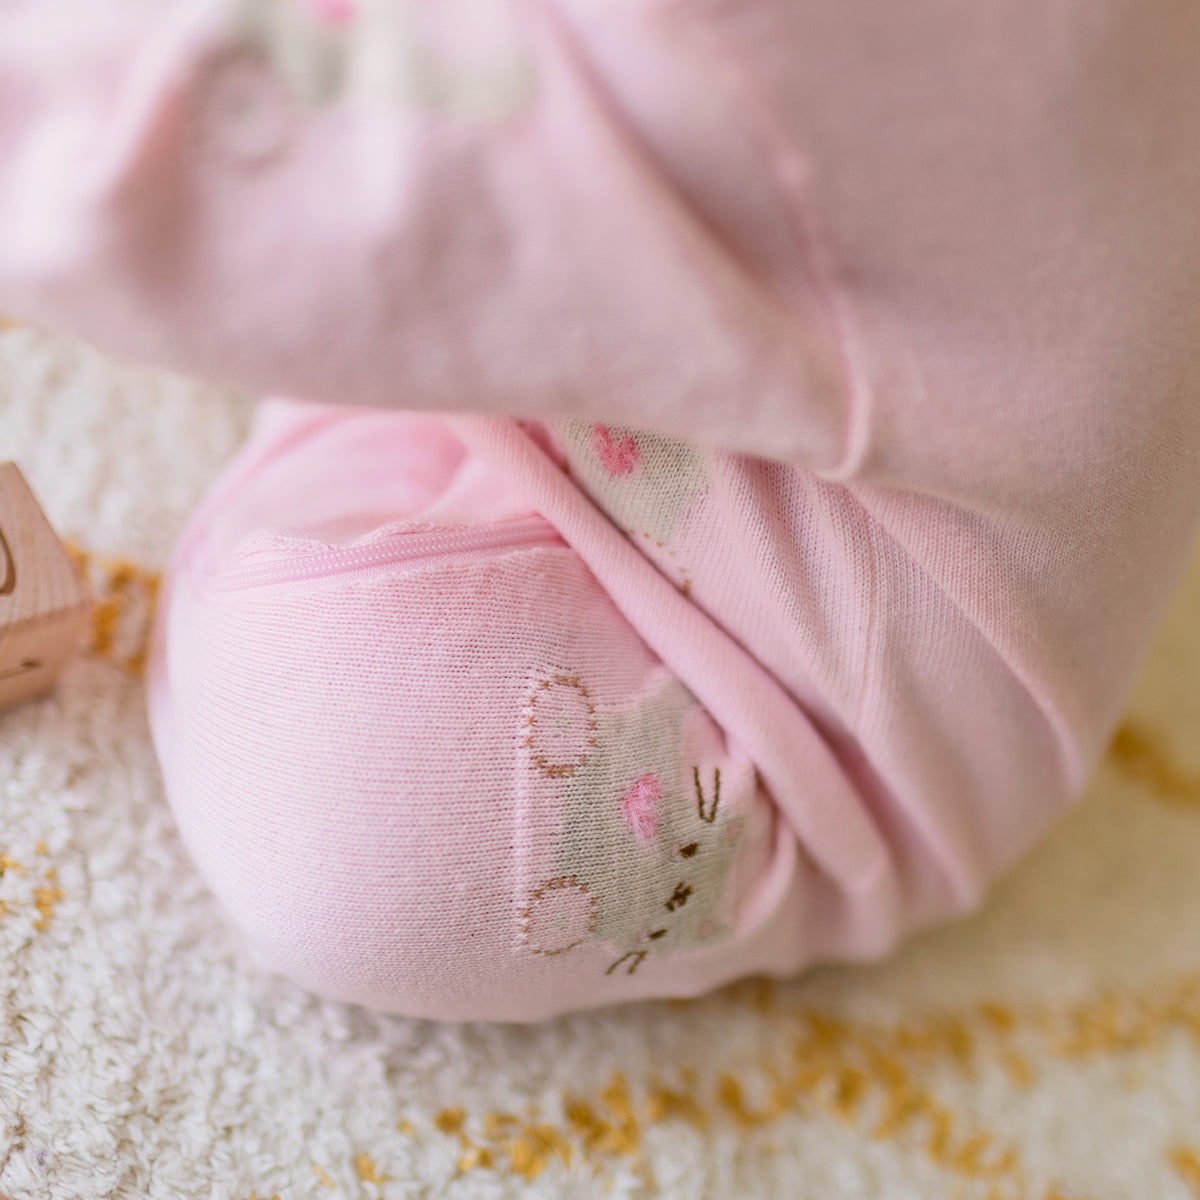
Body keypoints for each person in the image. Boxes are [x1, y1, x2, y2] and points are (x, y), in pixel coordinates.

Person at [2, 0, 1199, 1022]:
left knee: (365, 826)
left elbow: (138, 172)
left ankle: (390, 374)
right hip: (701, 296)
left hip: (826, 661)